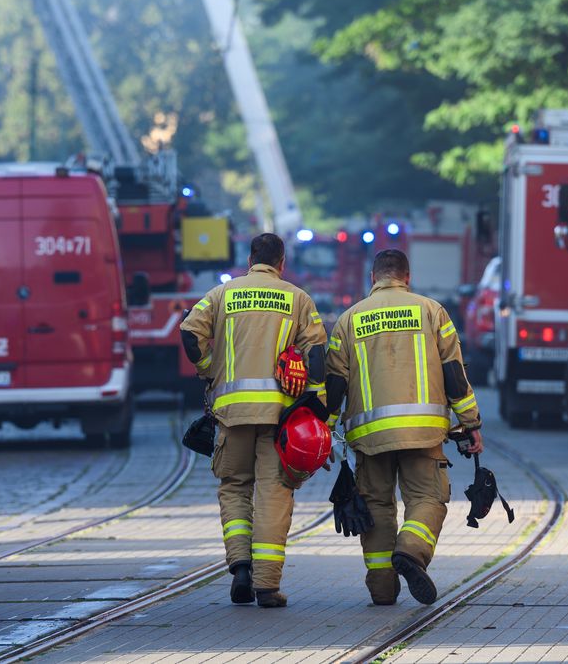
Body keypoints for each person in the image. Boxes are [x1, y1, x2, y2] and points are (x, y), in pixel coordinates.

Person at [325, 249, 484, 606]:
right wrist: (471, 423)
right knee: (427, 498)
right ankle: (411, 551)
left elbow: (334, 383)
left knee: (377, 506)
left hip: (369, 436)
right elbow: (455, 376)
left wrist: (324, 428)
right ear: (407, 278)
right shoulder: (432, 312)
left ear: (373, 279)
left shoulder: (348, 320)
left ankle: (382, 589)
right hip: (423, 432)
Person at [180, 233, 327, 608]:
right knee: (273, 493)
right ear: (282, 263)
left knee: (234, 487)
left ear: (249, 259)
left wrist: (209, 371)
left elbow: (189, 332)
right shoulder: (297, 298)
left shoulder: (221, 295)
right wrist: (315, 401)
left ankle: (241, 567)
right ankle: (266, 585)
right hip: (280, 416)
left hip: (232, 413)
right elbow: (317, 354)